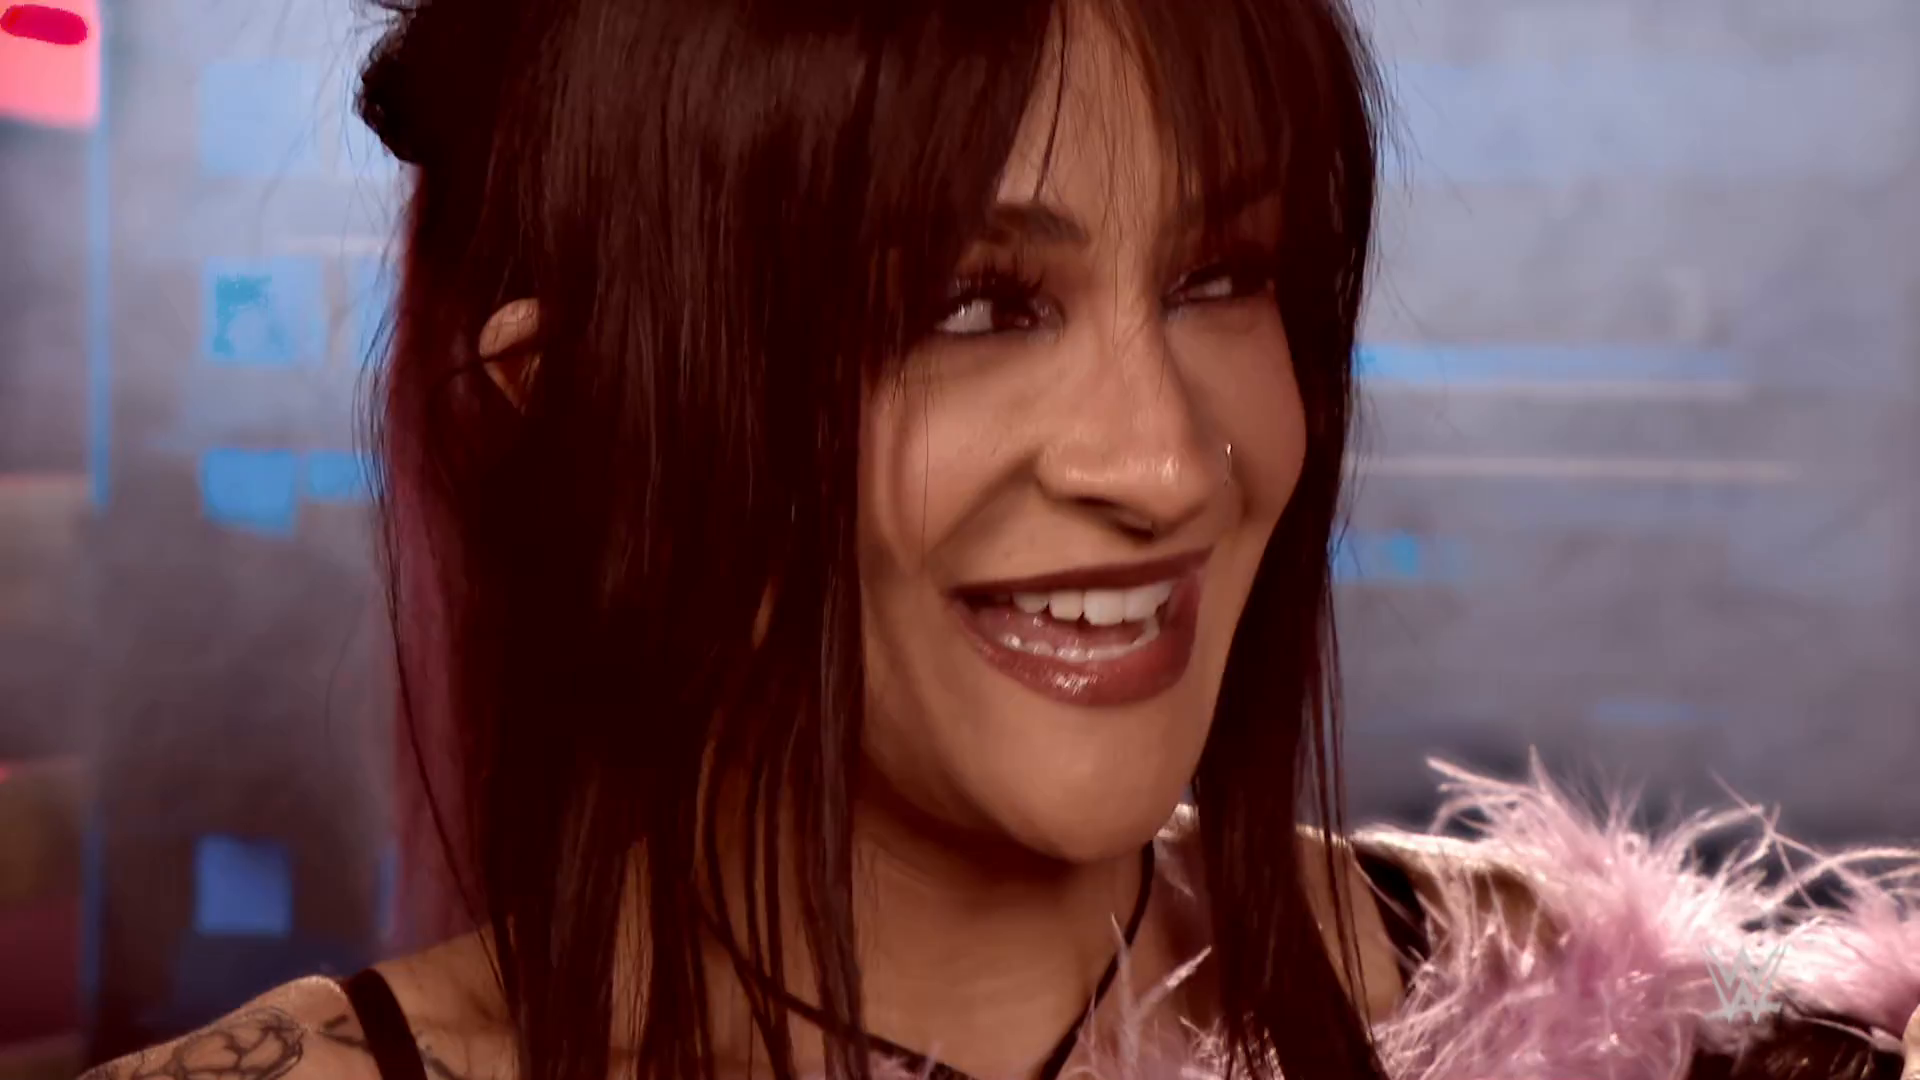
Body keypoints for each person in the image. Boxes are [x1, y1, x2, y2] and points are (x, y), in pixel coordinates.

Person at [75, 1, 1920, 1079]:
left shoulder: (1593, 1023)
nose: (1166, 464)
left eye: (1225, 274)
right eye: (970, 305)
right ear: (584, 400)